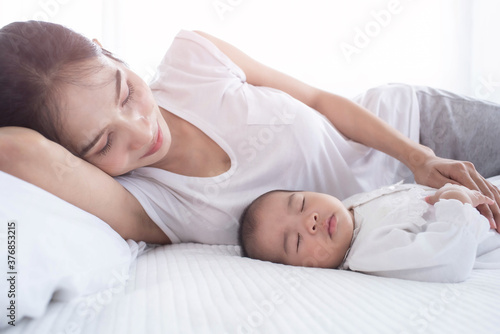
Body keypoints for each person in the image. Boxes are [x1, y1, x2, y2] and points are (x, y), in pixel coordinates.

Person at [1, 20, 499, 245]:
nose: (140, 129)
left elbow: (322, 101)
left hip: (411, 128)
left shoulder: (193, 58)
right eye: (102, 142)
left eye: (124, 91)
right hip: (411, 215)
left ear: (106, 49)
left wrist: (418, 158)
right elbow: (18, 151)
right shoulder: (148, 205)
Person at [237, 183, 500, 282]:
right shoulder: (370, 252)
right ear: (304, 268)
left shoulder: (353, 204)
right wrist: (455, 196)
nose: (311, 221)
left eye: (301, 203)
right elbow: (450, 257)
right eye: (296, 241)